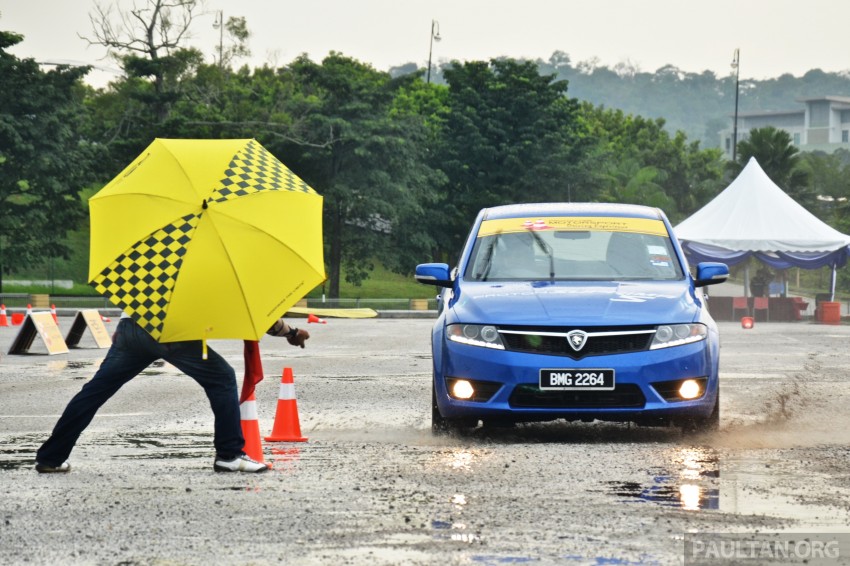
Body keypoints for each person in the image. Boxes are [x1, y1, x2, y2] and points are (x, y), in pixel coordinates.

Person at [34, 314, 310, 474]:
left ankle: (51, 457)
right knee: (222, 378)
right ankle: (229, 455)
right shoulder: (214, 258)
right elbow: (253, 312)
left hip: (130, 325)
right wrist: (291, 332)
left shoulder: (161, 246)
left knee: (95, 391)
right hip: (169, 329)